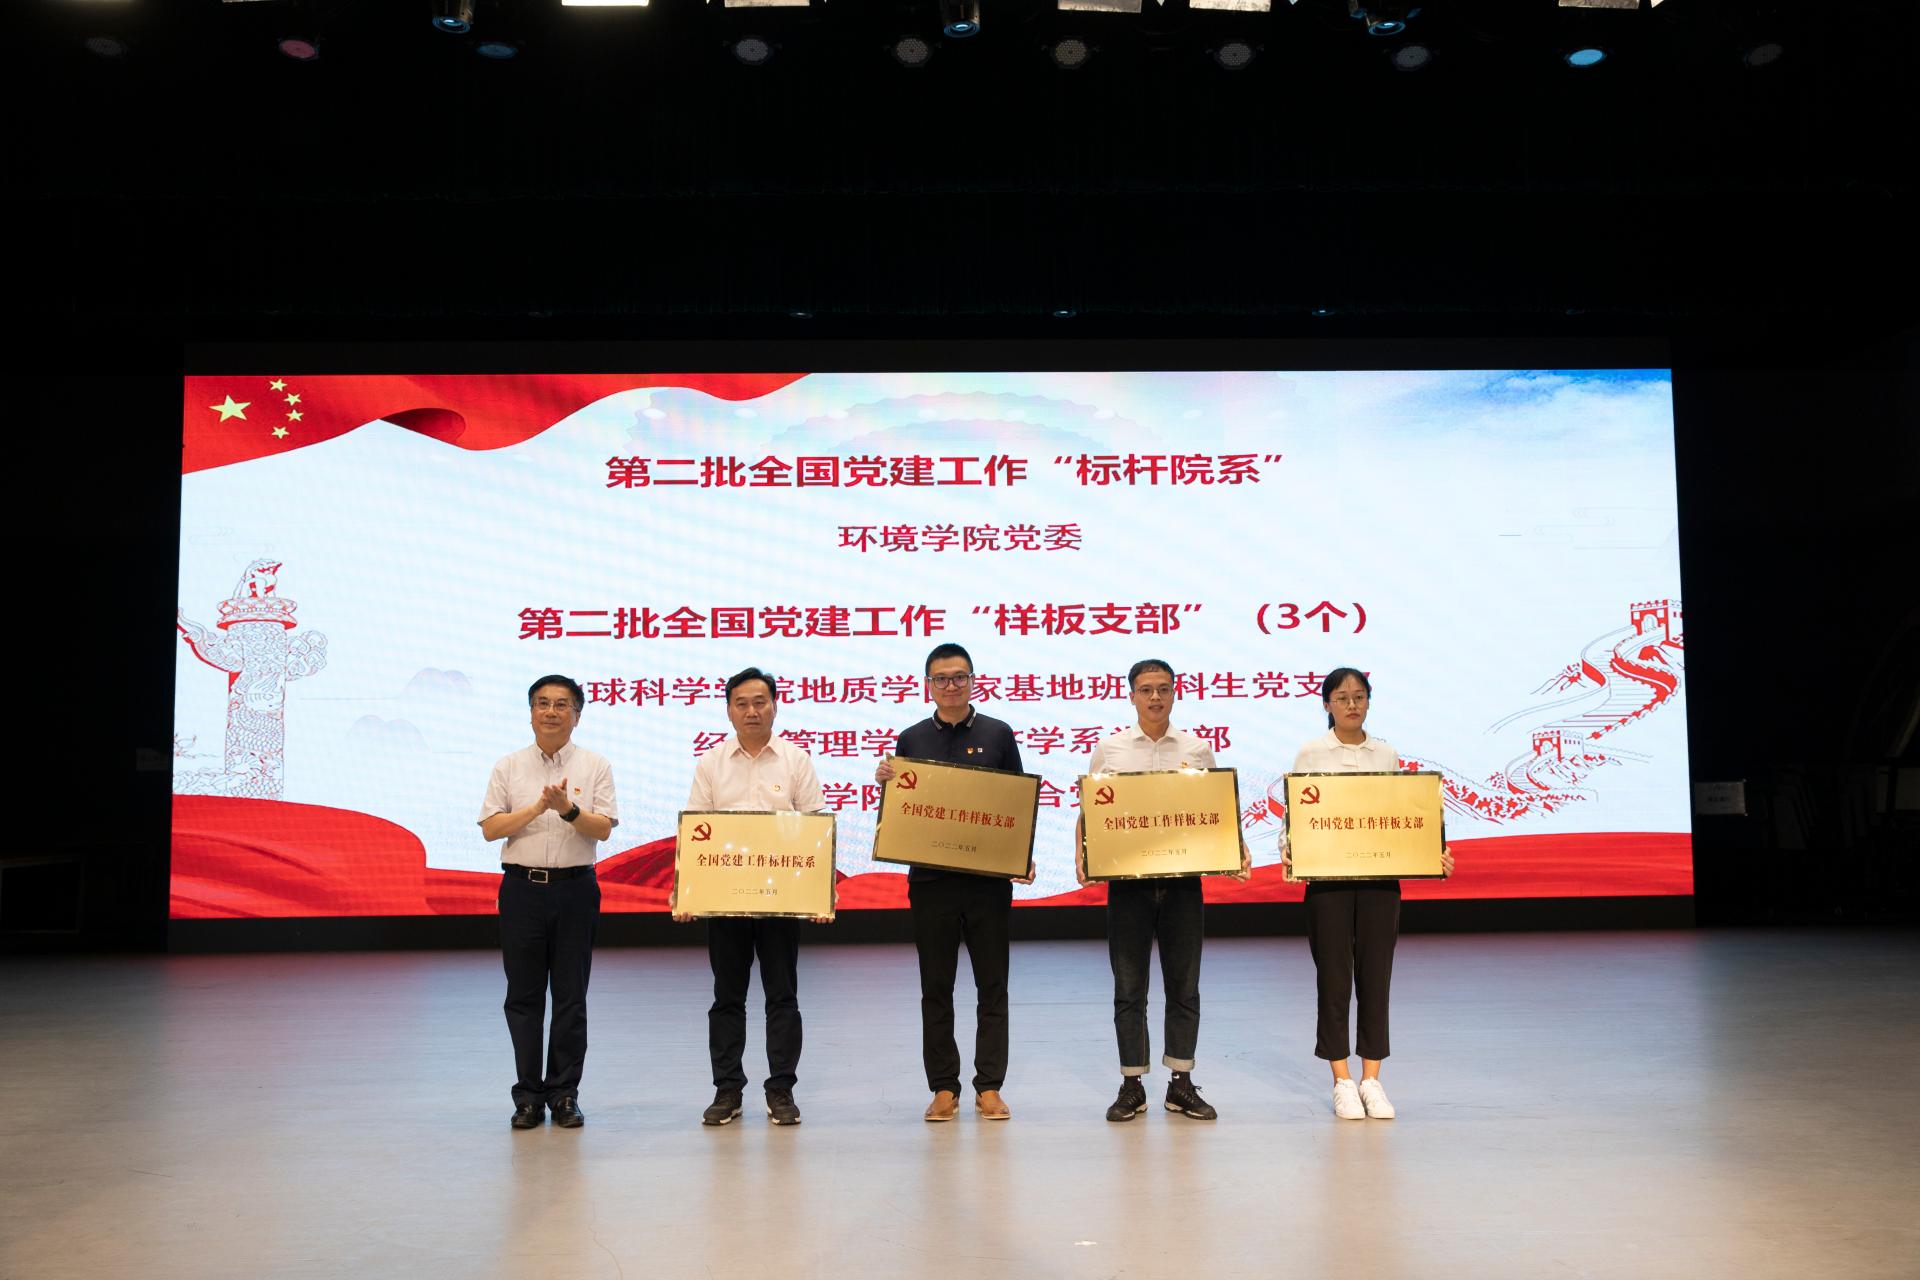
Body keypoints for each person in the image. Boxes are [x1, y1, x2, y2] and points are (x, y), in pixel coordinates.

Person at [1075, 659, 1250, 1122]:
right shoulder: (1110, 750)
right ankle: (1132, 1084)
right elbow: (1090, 812)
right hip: (1128, 888)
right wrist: (1082, 855)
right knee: (1129, 988)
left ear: (1175, 693)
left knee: (1184, 986)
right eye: (1146, 689)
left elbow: (1217, 812)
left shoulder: (1197, 749)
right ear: (1131, 695)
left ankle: (1181, 1083)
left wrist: (1236, 849)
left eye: (1163, 688)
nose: (1155, 697)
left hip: (1182, 885)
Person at [1284, 667, 1453, 1121]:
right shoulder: (1312, 752)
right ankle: (1341, 1081)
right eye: (1341, 697)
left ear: (1369, 702)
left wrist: (1431, 852)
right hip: (1328, 882)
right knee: (1334, 979)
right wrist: (1292, 852)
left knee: (1377, 978)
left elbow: (1400, 818)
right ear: (1326, 704)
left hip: (1380, 881)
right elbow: (1295, 819)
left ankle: (1372, 1080)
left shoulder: (1385, 753)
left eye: (1359, 696)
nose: (1351, 705)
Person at [875, 642, 1030, 1122]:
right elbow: (901, 813)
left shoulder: (998, 734)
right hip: (931, 882)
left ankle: (989, 1087)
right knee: (936, 987)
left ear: (973, 681)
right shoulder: (912, 739)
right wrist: (887, 784)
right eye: (941, 678)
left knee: (992, 985)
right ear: (928, 685)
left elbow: (1016, 803)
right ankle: (944, 1087)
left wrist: (1019, 855)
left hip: (987, 883)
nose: (951, 685)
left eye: (960, 676)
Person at [679, 667, 826, 1127]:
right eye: (741, 703)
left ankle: (781, 1089)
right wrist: (686, 892)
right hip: (726, 900)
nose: (751, 711)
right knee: (727, 997)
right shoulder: (711, 763)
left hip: (780, 899)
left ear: (775, 706)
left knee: (782, 996)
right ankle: (727, 1090)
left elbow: (816, 825)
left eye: (760, 701)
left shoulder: (796, 760)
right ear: (729, 710)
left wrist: (822, 893)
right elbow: (697, 830)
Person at [478, 674, 618, 1130]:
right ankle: (527, 1096)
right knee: (523, 996)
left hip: (575, 890)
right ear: (531, 713)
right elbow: (491, 828)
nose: (551, 712)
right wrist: (538, 809)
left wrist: (567, 810)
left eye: (562, 704)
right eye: (542, 703)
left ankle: (564, 1094)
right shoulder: (509, 766)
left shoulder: (595, 765)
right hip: (522, 890)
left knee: (571, 996)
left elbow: (603, 828)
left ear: (578, 715)